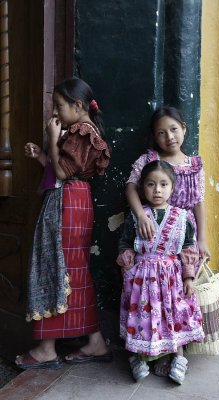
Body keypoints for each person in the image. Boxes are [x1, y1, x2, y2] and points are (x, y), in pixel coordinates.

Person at [15, 78, 112, 369]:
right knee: (71, 269)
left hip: (68, 202)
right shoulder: (80, 132)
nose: (55, 112)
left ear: (78, 106)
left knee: (56, 267)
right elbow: (61, 169)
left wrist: (52, 137)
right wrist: (40, 155)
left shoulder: (82, 132)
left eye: (59, 105)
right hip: (74, 198)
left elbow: (61, 170)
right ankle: (94, 341)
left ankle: (47, 348)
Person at [125, 106, 210, 376]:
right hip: (150, 232)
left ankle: (175, 350)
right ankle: (150, 351)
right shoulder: (148, 160)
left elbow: (198, 204)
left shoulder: (194, 164)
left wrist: (202, 241)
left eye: (174, 129)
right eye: (161, 132)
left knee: (177, 298)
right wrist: (140, 215)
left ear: (184, 128)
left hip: (180, 236)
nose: (169, 137)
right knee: (150, 299)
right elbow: (131, 186)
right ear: (154, 136)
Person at [117, 160, 204, 384]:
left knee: (174, 316)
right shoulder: (138, 217)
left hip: (171, 280)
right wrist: (128, 272)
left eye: (164, 184)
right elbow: (126, 244)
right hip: (142, 280)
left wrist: (188, 276)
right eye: (150, 184)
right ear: (142, 188)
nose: (157, 190)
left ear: (172, 188)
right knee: (141, 319)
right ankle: (138, 357)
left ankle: (179, 357)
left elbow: (188, 248)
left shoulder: (182, 218)